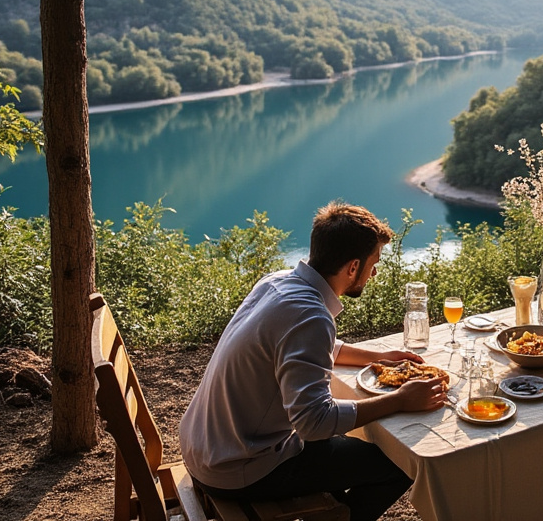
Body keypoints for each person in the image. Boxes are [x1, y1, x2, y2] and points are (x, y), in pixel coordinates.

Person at [180, 201, 446, 521]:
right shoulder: (311, 317)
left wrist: (378, 358)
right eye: (373, 263)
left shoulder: (278, 282)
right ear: (353, 267)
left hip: (206, 446)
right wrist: (400, 399)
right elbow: (314, 423)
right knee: (403, 460)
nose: (374, 272)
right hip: (239, 468)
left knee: (351, 446)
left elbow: (309, 347)